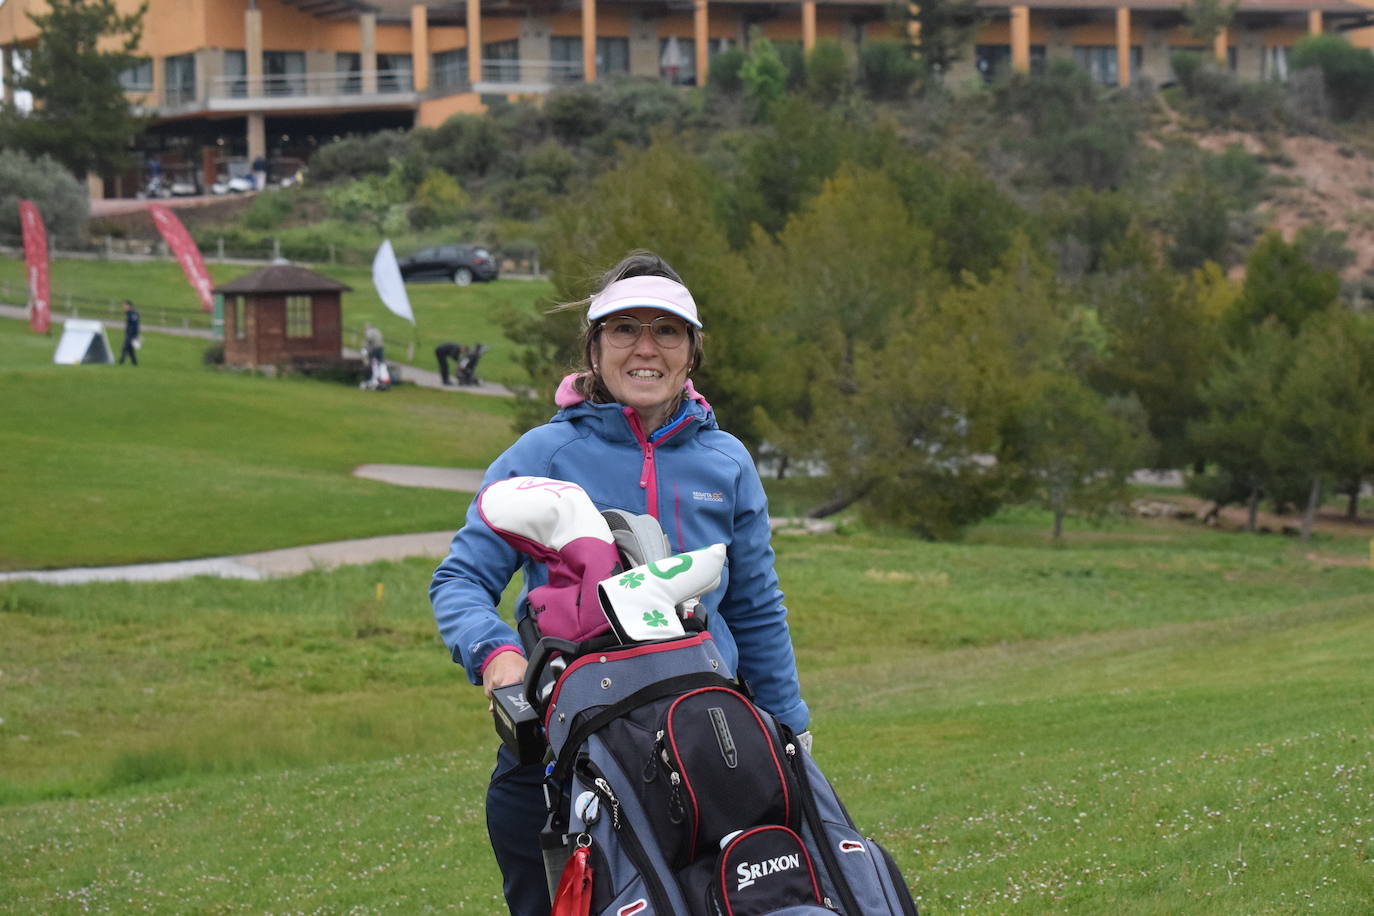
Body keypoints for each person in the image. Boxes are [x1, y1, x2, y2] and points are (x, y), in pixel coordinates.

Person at [429, 250, 810, 916]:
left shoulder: (726, 461)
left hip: (708, 746)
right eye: (624, 329)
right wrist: (497, 655)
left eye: (665, 331)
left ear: (692, 350)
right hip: (562, 754)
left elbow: (754, 608)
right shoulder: (544, 455)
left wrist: (792, 732)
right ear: (594, 346)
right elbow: (460, 580)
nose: (645, 348)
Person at [362, 322, 384, 389]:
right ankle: (381, 380)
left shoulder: (369, 331)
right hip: (380, 348)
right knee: (380, 364)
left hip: (375, 349)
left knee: (371, 364)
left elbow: (369, 339)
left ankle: (369, 380)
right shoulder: (377, 330)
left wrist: (366, 348)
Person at [118, 300, 141, 366]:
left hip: (132, 334)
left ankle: (121, 362)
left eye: (124, 305)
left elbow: (135, 325)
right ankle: (134, 363)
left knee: (125, 348)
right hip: (129, 333)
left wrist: (136, 335)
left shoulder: (133, 313)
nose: (123, 307)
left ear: (129, 306)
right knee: (130, 350)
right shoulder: (129, 313)